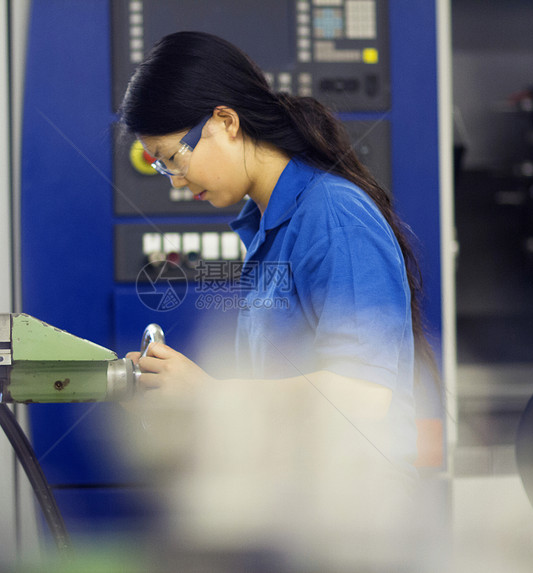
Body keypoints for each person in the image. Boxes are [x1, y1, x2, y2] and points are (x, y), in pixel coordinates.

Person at [119, 31, 438, 568]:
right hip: (300, 511)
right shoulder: (269, 230)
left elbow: (363, 395)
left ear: (224, 121)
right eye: (160, 165)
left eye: (173, 157)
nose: (175, 180)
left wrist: (210, 394)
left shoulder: (331, 215)